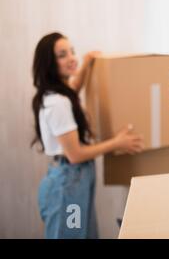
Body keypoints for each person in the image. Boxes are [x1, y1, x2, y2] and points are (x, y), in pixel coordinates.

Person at [31, 32, 144, 238]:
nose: (71, 57)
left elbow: (74, 89)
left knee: (81, 234)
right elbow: (76, 154)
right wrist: (117, 143)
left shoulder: (61, 93)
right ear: (49, 62)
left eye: (72, 51)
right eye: (62, 55)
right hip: (68, 182)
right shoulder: (58, 103)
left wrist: (85, 64)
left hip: (74, 178)